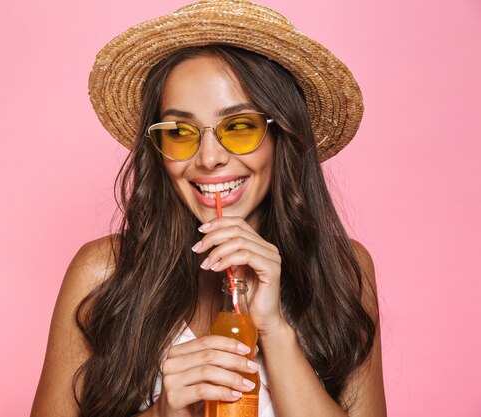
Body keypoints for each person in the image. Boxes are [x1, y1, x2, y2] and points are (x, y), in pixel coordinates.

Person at [31, 1, 386, 416]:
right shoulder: (102, 273)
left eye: (238, 127)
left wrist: (275, 331)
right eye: (180, 132)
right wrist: (164, 412)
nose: (209, 158)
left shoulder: (343, 270)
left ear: (281, 135)